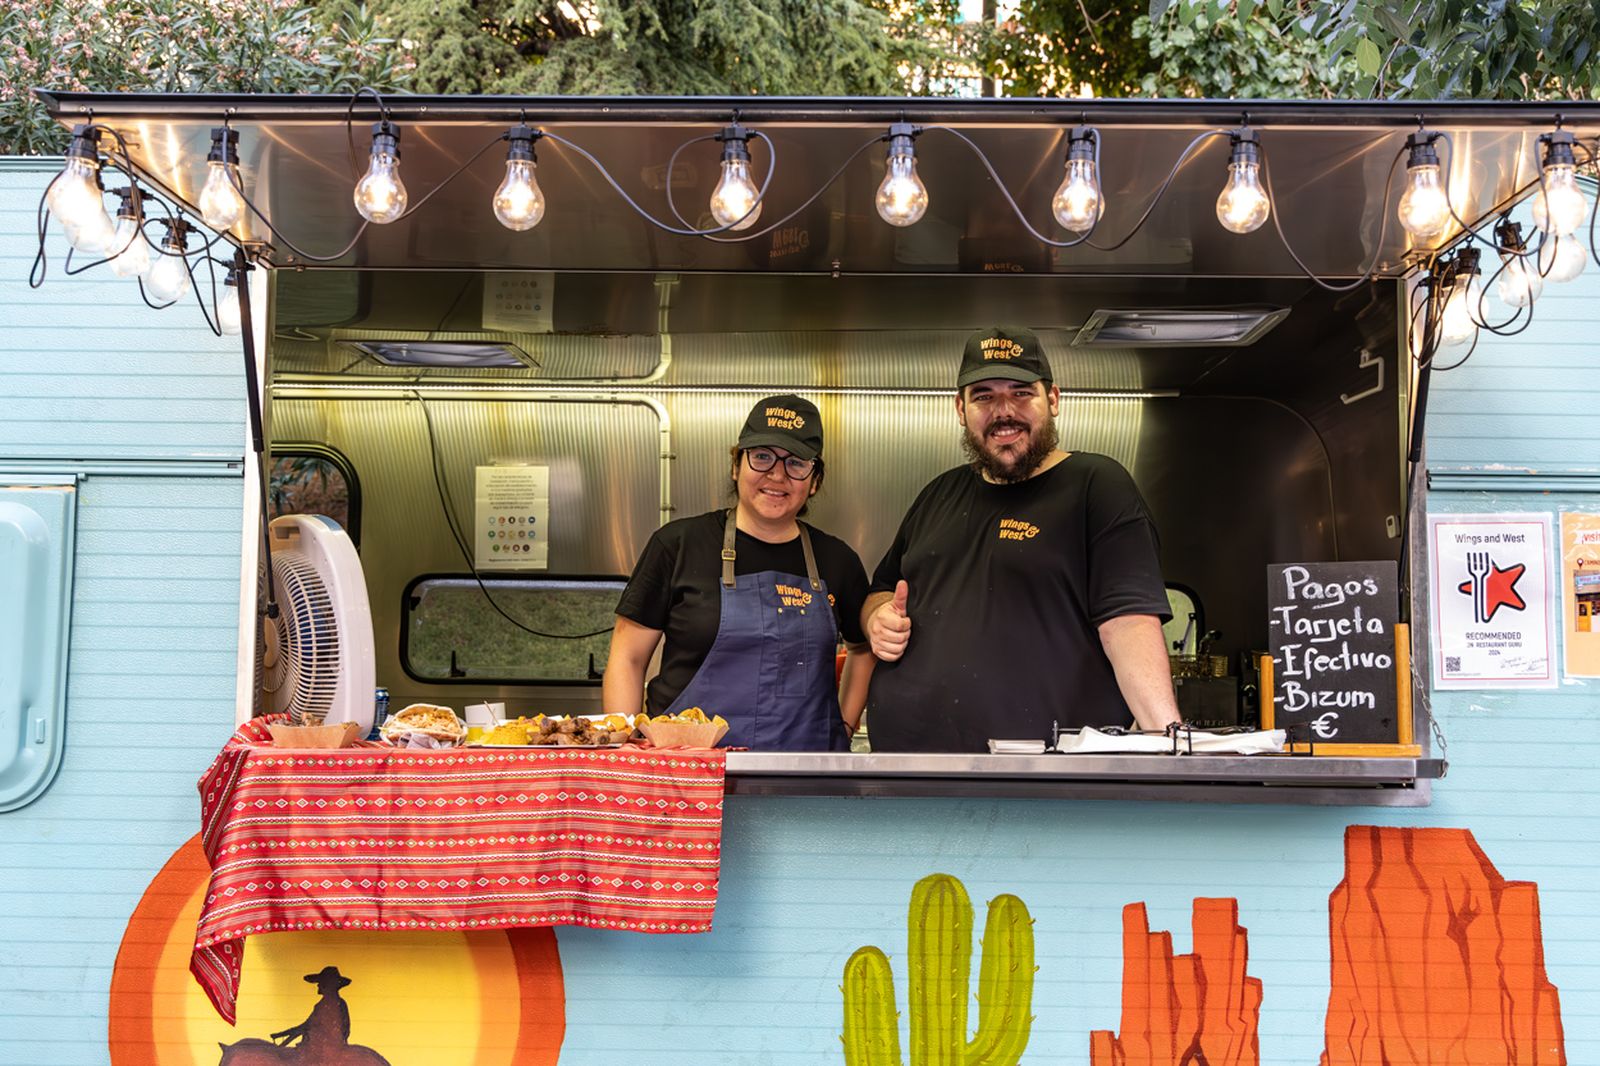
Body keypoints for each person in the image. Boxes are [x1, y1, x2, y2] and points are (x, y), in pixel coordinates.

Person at [861, 327, 1181, 753]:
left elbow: (1128, 623)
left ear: (1053, 399)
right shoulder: (939, 492)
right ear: (961, 408)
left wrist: (1170, 744)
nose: (1003, 411)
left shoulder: (1096, 485)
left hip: (1040, 782)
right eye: (984, 396)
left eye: (1021, 392)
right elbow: (881, 591)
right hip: (910, 771)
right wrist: (876, 620)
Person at [605, 394, 873, 750]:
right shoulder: (678, 545)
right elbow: (628, 657)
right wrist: (623, 748)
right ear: (736, 465)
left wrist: (843, 725)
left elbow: (863, 649)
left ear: (814, 481)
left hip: (801, 777)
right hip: (687, 773)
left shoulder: (838, 560)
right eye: (762, 456)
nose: (777, 475)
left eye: (796, 463)